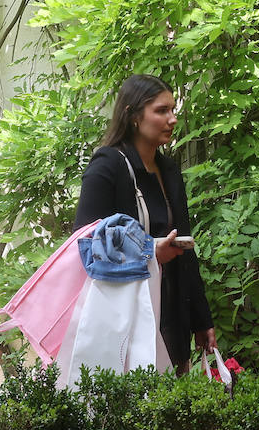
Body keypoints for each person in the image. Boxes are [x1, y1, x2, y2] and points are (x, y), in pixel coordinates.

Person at [75, 75, 215, 370]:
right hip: (124, 313)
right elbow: (86, 241)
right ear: (134, 115)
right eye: (162, 110)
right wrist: (149, 252)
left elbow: (186, 248)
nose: (172, 119)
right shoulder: (107, 165)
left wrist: (202, 320)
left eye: (173, 110)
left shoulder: (168, 168)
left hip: (171, 311)